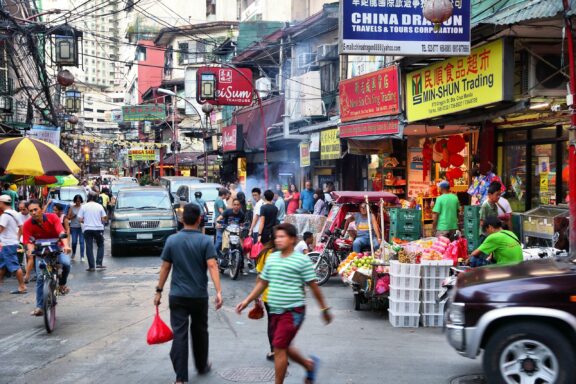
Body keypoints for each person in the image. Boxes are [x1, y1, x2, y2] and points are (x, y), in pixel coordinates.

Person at [236, 223, 332, 384]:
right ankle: (309, 365)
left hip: (293, 312)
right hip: (274, 311)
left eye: (282, 237)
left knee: (279, 348)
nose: (278, 240)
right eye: (277, 237)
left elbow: (314, 287)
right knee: (283, 345)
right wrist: (247, 300)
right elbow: (262, 282)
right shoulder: (272, 258)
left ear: (293, 239)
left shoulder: (301, 261)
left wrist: (324, 309)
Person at [154, 203, 223, 384]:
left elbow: (165, 267)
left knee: (180, 334)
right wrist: (218, 291)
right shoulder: (205, 241)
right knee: (200, 331)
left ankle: (180, 378)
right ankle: (201, 365)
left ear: (182, 219)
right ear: (200, 219)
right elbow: (212, 265)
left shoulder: (172, 240)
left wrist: (158, 291)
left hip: (177, 295)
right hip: (198, 296)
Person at [23, 200, 72, 316]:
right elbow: (28, 241)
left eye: (36, 209)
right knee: (40, 276)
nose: (33, 213)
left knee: (66, 263)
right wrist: (30, 250)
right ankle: (39, 306)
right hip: (41, 252)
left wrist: (66, 245)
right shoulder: (27, 225)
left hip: (57, 249)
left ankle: (61, 285)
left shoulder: (52, 218)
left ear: (42, 209)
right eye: (31, 211)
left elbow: (61, 232)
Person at [0, 195, 26, 294]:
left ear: (2, 203)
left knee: (15, 266)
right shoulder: (15, 213)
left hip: (7, 244)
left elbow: (0, 229)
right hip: (11, 242)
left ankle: (22, 286)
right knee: (2, 265)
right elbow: (21, 227)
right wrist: (17, 238)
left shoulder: (5, 215)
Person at [78, 193, 107, 272]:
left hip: (87, 229)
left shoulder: (83, 206)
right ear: (96, 198)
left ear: (88, 197)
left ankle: (91, 266)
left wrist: (86, 221)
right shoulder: (99, 206)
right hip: (98, 229)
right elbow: (104, 218)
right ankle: (99, 263)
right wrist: (101, 221)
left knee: (89, 247)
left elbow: (80, 219)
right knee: (100, 245)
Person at [68, 195, 85, 261]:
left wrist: (83, 220)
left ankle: (82, 256)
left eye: (79, 201)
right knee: (74, 242)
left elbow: (85, 216)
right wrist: (73, 216)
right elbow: (68, 217)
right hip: (73, 227)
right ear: (75, 201)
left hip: (81, 227)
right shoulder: (72, 207)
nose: (78, 202)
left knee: (81, 241)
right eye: (77, 201)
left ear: (81, 201)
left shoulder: (83, 207)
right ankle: (74, 253)